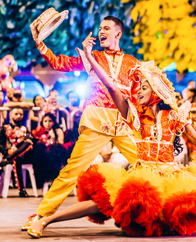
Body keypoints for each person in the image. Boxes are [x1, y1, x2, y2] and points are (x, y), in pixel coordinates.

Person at [27, 50, 196, 238]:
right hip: (143, 175)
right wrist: (93, 62)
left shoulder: (175, 116)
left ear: (156, 91)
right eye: (138, 87)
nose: (137, 91)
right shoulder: (135, 116)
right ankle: (45, 220)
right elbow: (113, 88)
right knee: (103, 203)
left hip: (172, 176)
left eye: (143, 88)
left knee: (189, 204)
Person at [22, 16, 141, 229]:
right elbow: (60, 63)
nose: (101, 31)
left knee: (148, 162)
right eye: (100, 28)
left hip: (125, 123)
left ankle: (165, 209)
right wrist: (40, 43)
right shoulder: (92, 57)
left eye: (106, 28)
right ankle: (40, 215)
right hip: (97, 121)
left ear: (118, 33)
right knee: (71, 171)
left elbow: (141, 95)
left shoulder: (133, 63)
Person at [0, 108, 34, 197]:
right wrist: (8, 151)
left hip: (25, 156)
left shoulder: (25, 129)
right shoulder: (4, 129)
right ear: (10, 115)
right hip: (10, 154)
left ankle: (8, 159)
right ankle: (22, 190)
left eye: (20, 114)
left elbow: (30, 142)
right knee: (17, 158)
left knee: (28, 142)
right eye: (16, 114)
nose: (18, 116)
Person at [32, 113, 69, 188]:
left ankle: (53, 179)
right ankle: (42, 181)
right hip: (43, 154)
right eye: (45, 121)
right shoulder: (39, 131)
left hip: (55, 153)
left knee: (54, 153)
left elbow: (61, 143)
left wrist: (51, 138)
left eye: (50, 121)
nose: (47, 123)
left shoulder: (57, 131)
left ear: (53, 122)